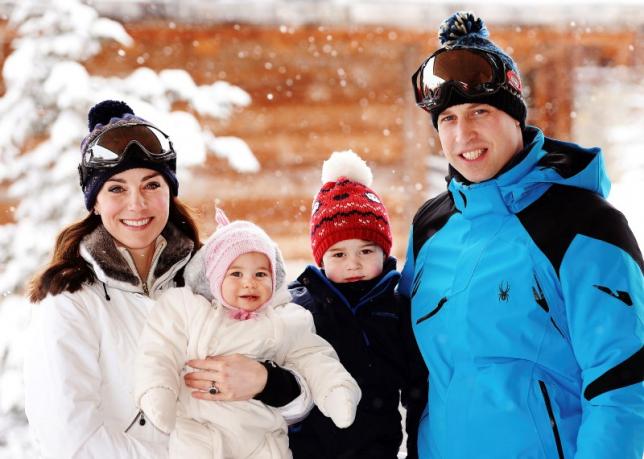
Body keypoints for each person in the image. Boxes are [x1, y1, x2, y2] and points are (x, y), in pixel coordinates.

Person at [400, 10, 644, 458]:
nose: (464, 133)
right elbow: (414, 372)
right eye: (447, 119)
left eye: (480, 111)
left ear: (516, 118)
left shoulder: (583, 225)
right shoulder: (431, 228)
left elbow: (623, 383)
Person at [23, 100, 311, 457]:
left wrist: (269, 382)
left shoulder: (215, 276)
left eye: (151, 185)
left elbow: (302, 392)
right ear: (94, 202)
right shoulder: (70, 300)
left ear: (169, 192)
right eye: (116, 188)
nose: (136, 204)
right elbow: (69, 440)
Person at [134, 208, 361, 458]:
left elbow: (314, 358)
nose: (249, 282)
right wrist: (158, 391)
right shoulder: (190, 310)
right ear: (215, 277)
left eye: (261, 274)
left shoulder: (284, 320)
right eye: (236, 273)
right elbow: (159, 350)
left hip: (262, 438)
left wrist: (335, 389)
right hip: (200, 434)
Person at [288, 150, 428, 458]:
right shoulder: (298, 307)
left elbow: (418, 390)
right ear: (321, 259)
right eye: (338, 254)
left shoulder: (397, 309)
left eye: (366, 251)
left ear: (383, 251)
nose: (353, 264)